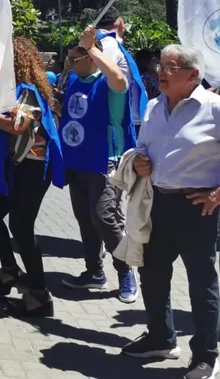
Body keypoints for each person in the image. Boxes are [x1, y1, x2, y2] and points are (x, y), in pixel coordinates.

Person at [121, 45, 220, 379]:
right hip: (156, 203)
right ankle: (161, 337)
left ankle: (206, 355)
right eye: (160, 65)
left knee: (201, 284)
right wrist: (138, 160)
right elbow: (143, 146)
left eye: (170, 67)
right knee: (152, 273)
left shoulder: (215, 108)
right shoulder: (153, 106)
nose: (160, 71)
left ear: (193, 75)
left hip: (196, 209)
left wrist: (217, 193)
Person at [0, 37, 65, 318]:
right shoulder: (13, 90)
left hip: (33, 169)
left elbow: (18, 126)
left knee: (22, 227)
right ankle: (10, 269)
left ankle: (39, 296)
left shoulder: (26, 91)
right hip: (16, 168)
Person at [59, 26, 139, 304]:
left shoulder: (107, 84)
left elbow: (119, 79)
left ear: (93, 58)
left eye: (74, 59)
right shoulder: (72, 81)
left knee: (104, 216)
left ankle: (125, 269)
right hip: (78, 160)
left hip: (104, 160)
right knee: (85, 216)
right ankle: (94, 271)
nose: (69, 64)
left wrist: (92, 46)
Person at [97, 8, 149, 136]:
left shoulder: (103, 43)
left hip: (124, 120)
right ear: (121, 23)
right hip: (119, 123)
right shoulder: (109, 44)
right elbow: (100, 78)